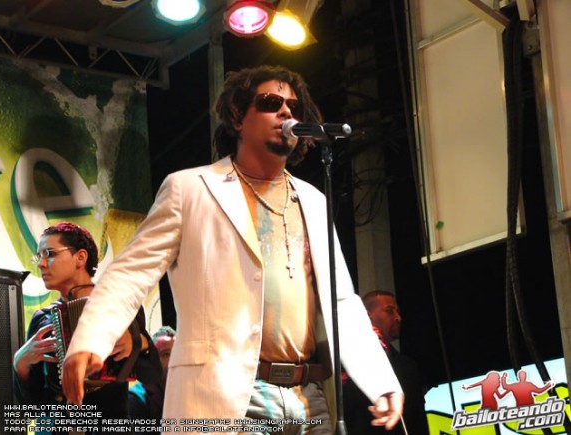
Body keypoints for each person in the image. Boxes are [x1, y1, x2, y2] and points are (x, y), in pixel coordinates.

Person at [61, 65, 404, 433]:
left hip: (309, 397)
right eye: (270, 102)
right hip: (229, 395)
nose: (286, 112)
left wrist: (381, 381)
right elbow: (131, 274)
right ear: (238, 117)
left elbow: (341, 302)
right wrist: (90, 339)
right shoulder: (190, 189)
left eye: (293, 106)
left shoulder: (313, 200)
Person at [12, 222, 160, 433]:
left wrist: (138, 342)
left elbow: (152, 375)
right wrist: (20, 363)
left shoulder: (120, 308)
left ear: (80, 257)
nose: (41, 264)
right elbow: (32, 408)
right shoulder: (43, 319)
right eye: (39, 257)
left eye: (50, 254)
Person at [343, 291, 429, 435]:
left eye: (398, 312)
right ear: (367, 315)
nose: (398, 318)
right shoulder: (346, 360)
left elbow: (418, 418)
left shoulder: (408, 366)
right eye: (389, 311)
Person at [129, 325, 176, 419]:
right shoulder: (135, 399)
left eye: (176, 353)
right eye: (166, 354)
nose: (174, 360)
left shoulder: (185, 392)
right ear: (152, 361)